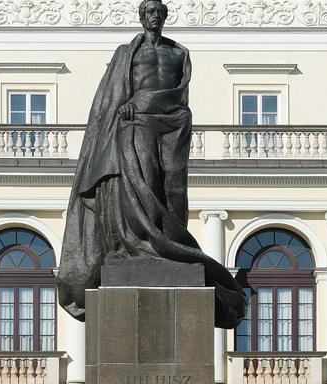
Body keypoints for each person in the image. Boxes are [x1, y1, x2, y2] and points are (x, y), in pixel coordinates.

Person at [57, 0, 247, 329]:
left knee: (172, 185)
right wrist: (126, 109)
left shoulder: (179, 54)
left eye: (159, 13)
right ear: (142, 16)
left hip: (172, 122)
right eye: (150, 13)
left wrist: (167, 110)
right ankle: (140, 241)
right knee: (141, 174)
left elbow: (181, 92)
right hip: (136, 122)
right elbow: (111, 98)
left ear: (165, 17)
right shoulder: (125, 53)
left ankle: (166, 242)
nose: (155, 17)